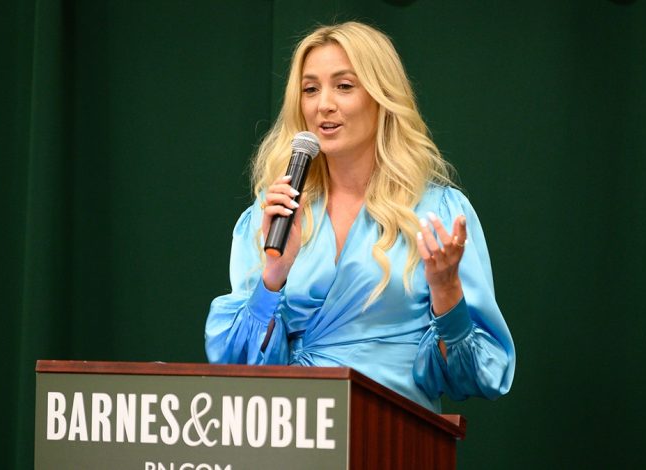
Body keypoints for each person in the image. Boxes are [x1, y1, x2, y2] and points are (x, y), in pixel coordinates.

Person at [205, 21, 514, 412]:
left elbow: (478, 374)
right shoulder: (276, 213)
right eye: (310, 89)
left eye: (344, 86)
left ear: (382, 97)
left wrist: (447, 292)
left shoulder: (436, 212)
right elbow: (236, 367)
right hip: (293, 430)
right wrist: (273, 277)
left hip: (391, 433)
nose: (324, 105)